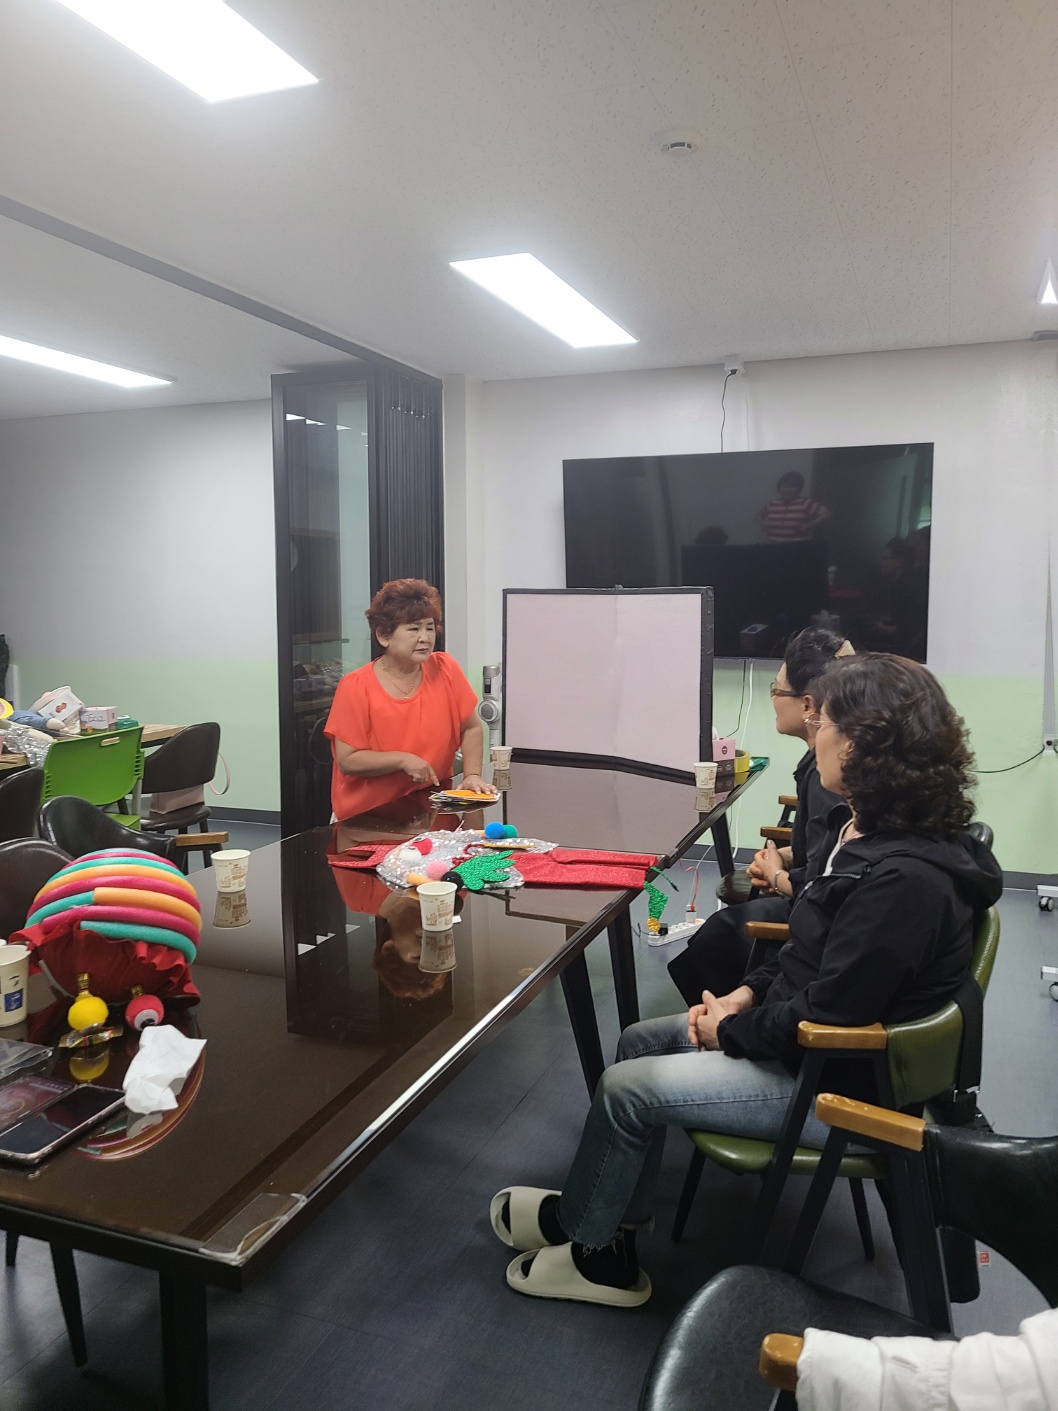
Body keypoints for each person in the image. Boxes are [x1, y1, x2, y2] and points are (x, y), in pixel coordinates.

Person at [488, 654, 1002, 1308]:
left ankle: (600, 1262)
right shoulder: (862, 830)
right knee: (639, 1041)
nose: (814, 731)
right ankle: (602, 1219)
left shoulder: (905, 881)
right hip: (805, 1044)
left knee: (626, 1088)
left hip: (838, 1085)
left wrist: (729, 1029)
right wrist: (745, 993)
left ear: (859, 744)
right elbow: (809, 945)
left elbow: (830, 1014)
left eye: (825, 721)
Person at [667, 628, 853, 1005]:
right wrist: (783, 857)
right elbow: (830, 850)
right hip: (818, 905)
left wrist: (777, 875)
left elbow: (825, 883)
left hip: (819, 924)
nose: (772, 697)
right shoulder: (823, 766)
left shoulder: (826, 778)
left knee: (716, 938)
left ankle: (721, 1020)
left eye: (776, 688)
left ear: (807, 705)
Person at [324, 579, 488, 821]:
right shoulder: (356, 686)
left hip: (429, 806)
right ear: (384, 635)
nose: (425, 638)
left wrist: (472, 775)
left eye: (429, 627)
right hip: (369, 818)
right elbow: (348, 760)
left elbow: (471, 727)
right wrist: (403, 760)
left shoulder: (445, 669)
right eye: (413, 629)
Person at [758, 471, 830, 541]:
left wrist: (809, 525)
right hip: (773, 545)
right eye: (785, 486)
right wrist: (762, 523)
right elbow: (758, 515)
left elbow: (826, 513)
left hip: (797, 546)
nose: (788, 490)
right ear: (779, 488)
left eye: (792, 487)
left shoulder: (805, 503)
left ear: (798, 489)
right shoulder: (772, 504)